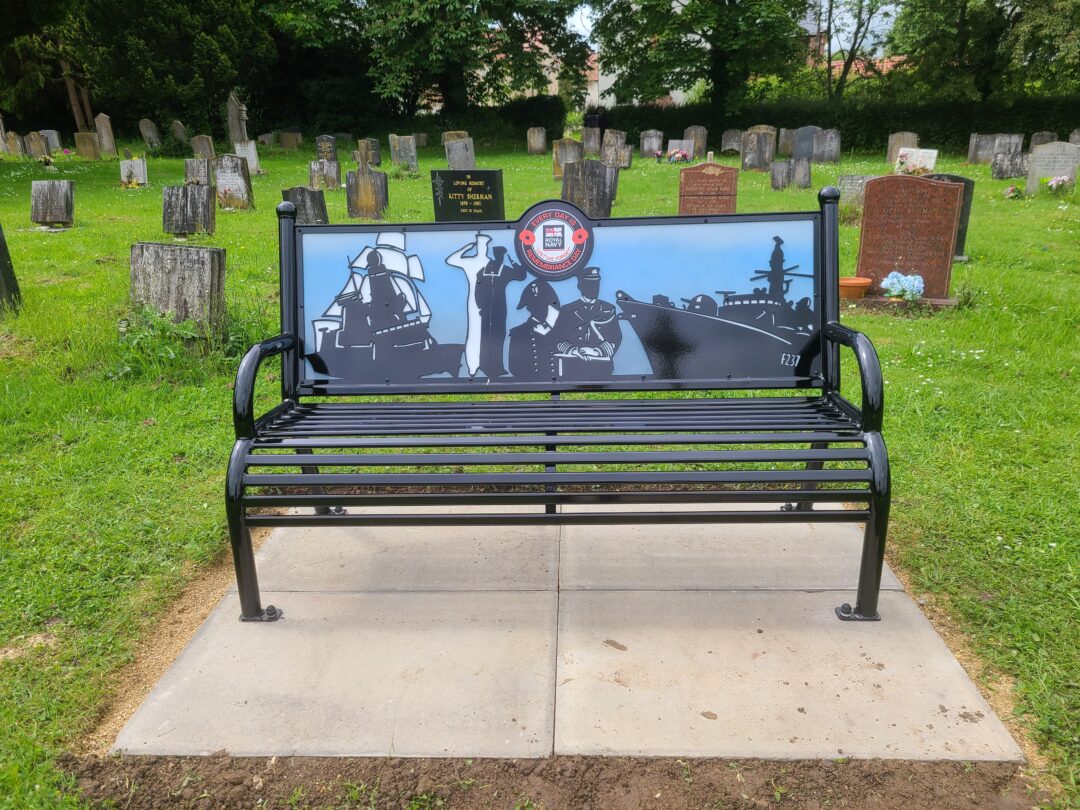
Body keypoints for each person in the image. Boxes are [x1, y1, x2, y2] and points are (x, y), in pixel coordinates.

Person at [553, 266, 622, 379]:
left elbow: (615, 337)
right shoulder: (568, 309)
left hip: (601, 366)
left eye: (597, 283)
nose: (595, 287)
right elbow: (556, 336)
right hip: (572, 366)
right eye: (590, 283)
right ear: (580, 286)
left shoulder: (608, 308)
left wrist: (596, 351)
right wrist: (574, 350)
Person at [474, 246, 526, 378]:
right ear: (501, 256)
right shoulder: (504, 270)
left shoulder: (483, 270)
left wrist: (480, 306)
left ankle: (486, 365)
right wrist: (513, 261)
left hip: (486, 308)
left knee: (486, 335)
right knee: (498, 335)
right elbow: (521, 275)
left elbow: (477, 288)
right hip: (498, 307)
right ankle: (495, 367)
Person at [508, 280, 560, 380]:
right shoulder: (518, 333)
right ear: (528, 307)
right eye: (535, 305)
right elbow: (514, 368)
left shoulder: (560, 330)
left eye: (544, 304)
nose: (541, 308)